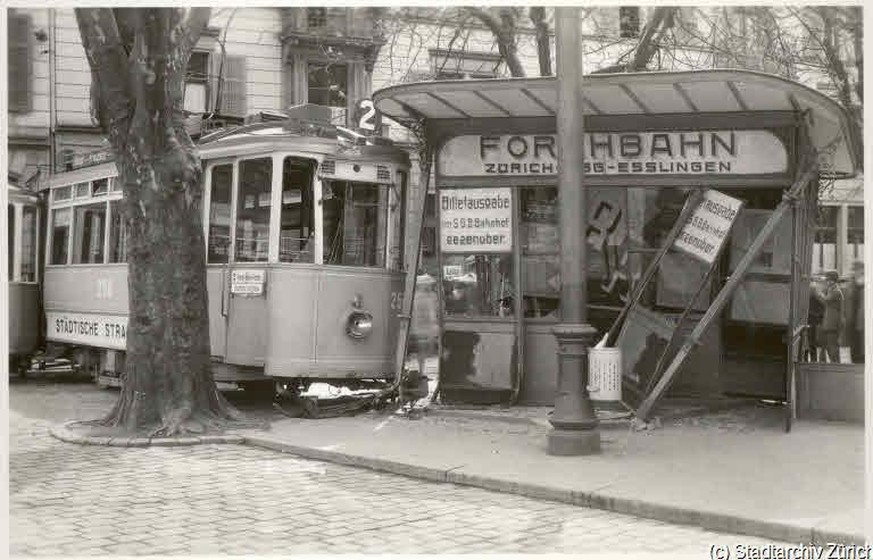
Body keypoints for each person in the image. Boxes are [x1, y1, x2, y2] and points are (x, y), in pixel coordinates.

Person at [813, 270, 844, 363]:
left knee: (833, 350)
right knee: (825, 348)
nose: (826, 282)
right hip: (828, 324)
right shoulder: (832, 289)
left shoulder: (836, 291)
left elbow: (826, 300)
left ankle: (837, 369)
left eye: (828, 280)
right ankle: (828, 367)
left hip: (832, 325)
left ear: (832, 281)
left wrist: (817, 292)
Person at [848, 260, 864, 363]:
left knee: (859, 344)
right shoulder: (855, 283)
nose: (853, 272)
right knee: (855, 344)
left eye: (855, 269)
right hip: (854, 320)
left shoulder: (862, 284)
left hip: (860, 320)